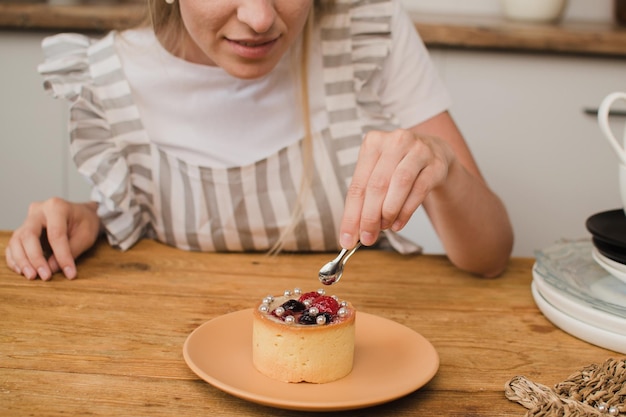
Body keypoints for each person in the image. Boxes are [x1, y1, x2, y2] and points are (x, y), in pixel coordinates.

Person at [4, 0, 514, 281]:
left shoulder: (370, 36)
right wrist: (92, 218)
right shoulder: (106, 78)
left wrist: (441, 165)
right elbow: (141, 219)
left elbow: (491, 257)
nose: (261, 18)